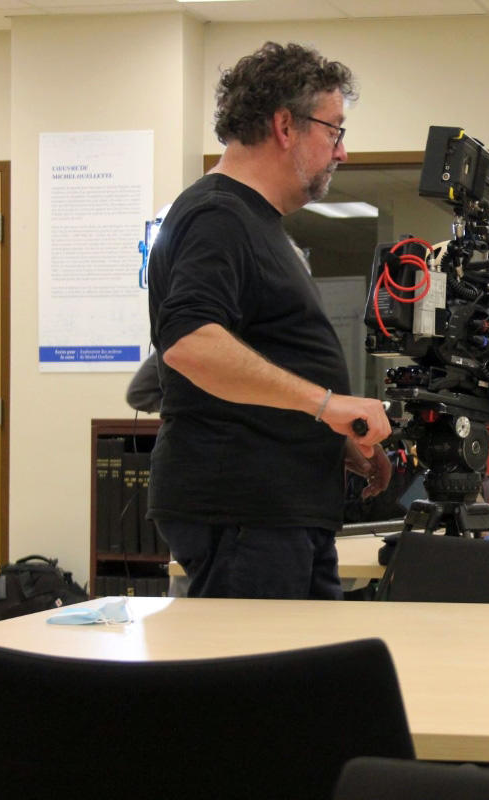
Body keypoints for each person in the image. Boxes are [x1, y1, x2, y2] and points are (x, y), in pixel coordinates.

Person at [145, 41, 392, 599]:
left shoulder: (258, 224)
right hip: (245, 513)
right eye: (335, 131)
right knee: (257, 683)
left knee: (304, 681)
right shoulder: (218, 216)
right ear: (286, 125)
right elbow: (189, 342)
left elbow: (263, 356)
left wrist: (330, 436)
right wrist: (327, 405)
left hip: (279, 511)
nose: (342, 153)